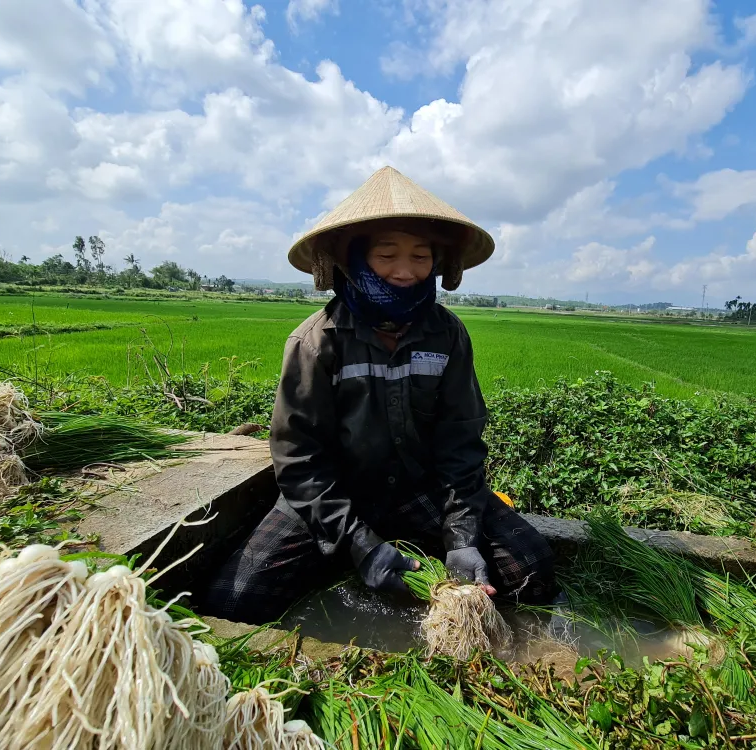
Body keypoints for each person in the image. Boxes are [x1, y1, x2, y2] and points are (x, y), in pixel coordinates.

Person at [205, 166, 557, 624]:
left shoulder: (447, 335)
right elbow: (300, 461)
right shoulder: (316, 343)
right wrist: (358, 543)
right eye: (387, 255)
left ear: (438, 262)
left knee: (532, 571)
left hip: (420, 490)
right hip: (335, 496)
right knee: (235, 602)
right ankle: (353, 555)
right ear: (352, 261)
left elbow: (460, 442)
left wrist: (462, 538)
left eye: (420, 255)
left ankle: (395, 550)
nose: (406, 271)